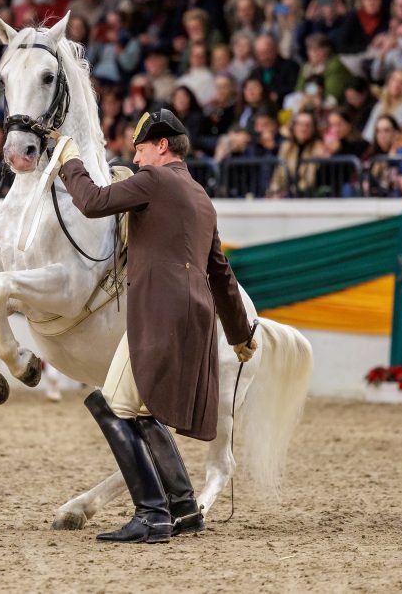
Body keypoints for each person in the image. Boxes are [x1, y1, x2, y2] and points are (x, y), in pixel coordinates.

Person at [55, 108, 254, 543]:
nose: (137, 157)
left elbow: (92, 202)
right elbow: (220, 272)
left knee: (112, 406)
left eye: (141, 148)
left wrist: (69, 161)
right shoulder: (200, 195)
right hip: (192, 317)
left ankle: (151, 514)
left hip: (159, 313)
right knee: (142, 410)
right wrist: (240, 335)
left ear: (162, 145)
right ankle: (184, 508)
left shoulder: (155, 180)